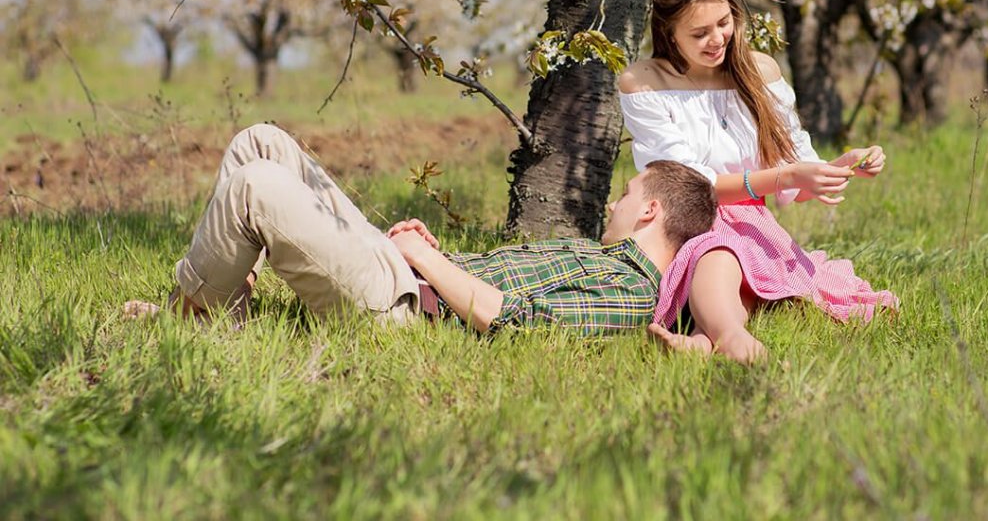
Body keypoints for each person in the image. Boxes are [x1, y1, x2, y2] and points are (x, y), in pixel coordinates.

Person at [124, 123, 717, 336]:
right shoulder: (599, 257)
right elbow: (494, 283)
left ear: (649, 213)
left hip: (403, 304)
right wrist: (432, 251)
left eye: (627, 194)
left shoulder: (632, 294)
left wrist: (424, 263)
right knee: (262, 142)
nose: (614, 202)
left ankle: (195, 316)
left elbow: (515, 321)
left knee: (254, 182)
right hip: (408, 272)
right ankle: (221, 307)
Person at [618, 0, 898, 364]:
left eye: (723, 23)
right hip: (685, 216)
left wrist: (843, 165)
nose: (717, 39)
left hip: (749, 219)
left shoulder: (759, 71)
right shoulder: (645, 82)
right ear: (669, 33)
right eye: (699, 33)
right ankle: (730, 338)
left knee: (736, 261)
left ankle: (705, 340)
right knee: (717, 248)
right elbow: (690, 183)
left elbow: (798, 174)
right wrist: (785, 176)